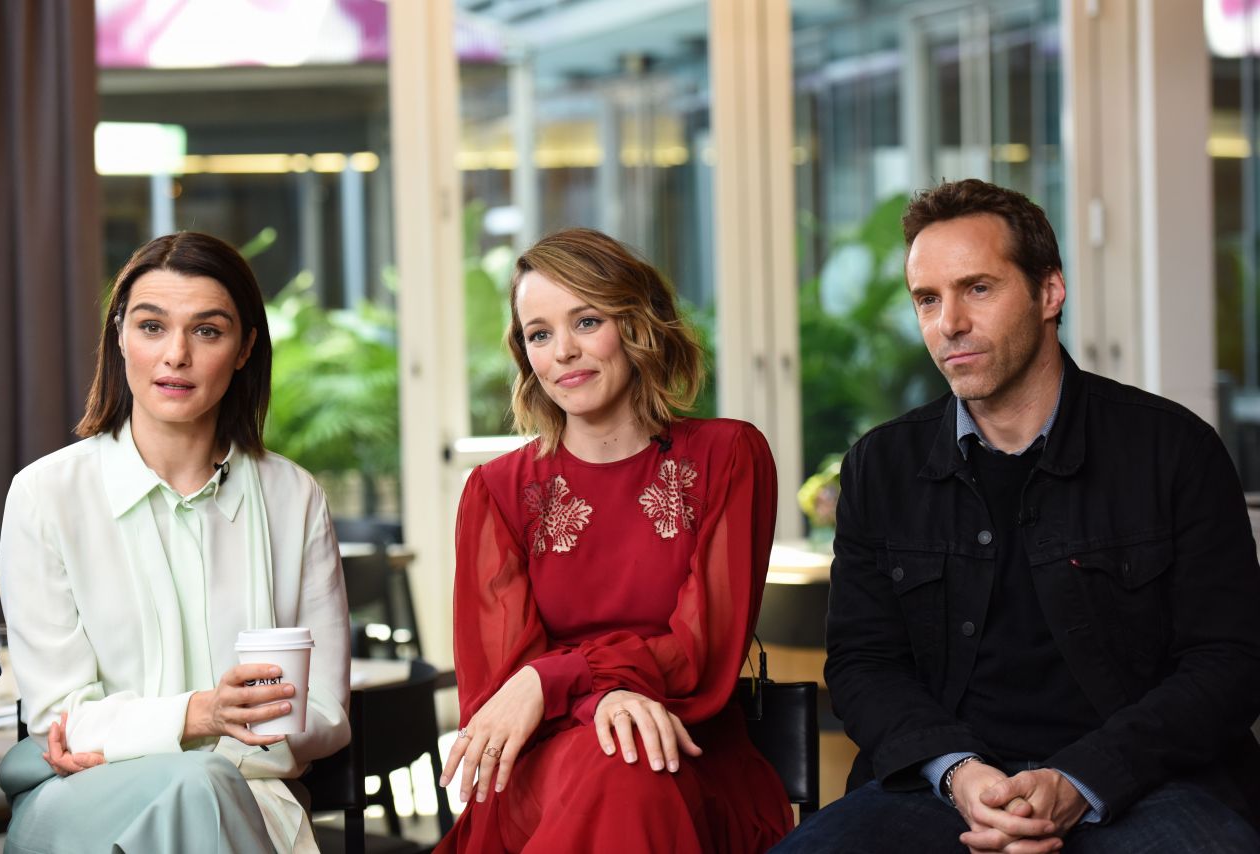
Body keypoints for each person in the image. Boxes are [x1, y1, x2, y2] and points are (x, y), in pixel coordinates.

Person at [776, 179, 1260, 853]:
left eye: (977, 288)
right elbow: (864, 663)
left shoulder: (1173, 450)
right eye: (927, 299)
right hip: (944, 791)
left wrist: (1079, 779)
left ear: (1049, 292)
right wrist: (961, 775)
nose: (949, 323)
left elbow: (1229, 663)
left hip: (1145, 784)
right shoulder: (880, 466)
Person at [435, 228, 792, 852]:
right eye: (540, 334)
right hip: (546, 772)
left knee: (632, 771)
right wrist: (598, 698)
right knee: (620, 770)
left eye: (587, 320)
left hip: (686, 752)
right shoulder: (496, 490)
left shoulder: (730, 456)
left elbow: (701, 652)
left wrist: (556, 678)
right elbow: (499, 691)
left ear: (635, 324)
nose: (564, 352)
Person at [0, 232, 351, 853]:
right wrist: (203, 716)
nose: (176, 356)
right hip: (88, 802)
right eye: (152, 326)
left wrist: (217, 741)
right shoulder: (44, 496)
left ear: (244, 349)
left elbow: (326, 712)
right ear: (119, 336)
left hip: (249, 802)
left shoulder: (294, 499)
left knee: (206, 787)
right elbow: (61, 717)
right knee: (200, 785)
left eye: (208, 332)